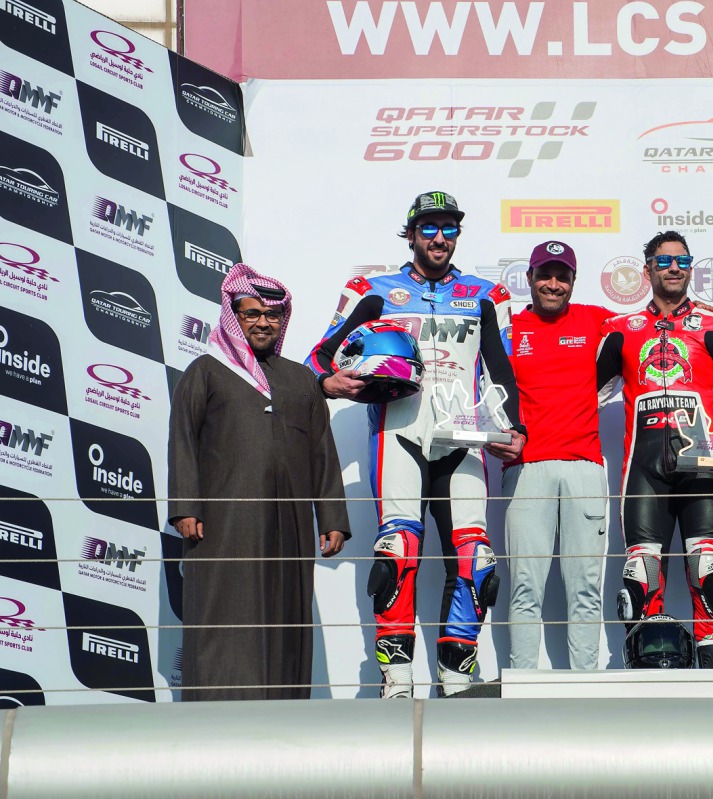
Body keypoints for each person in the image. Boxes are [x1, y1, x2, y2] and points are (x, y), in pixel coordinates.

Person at [308, 190, 525, 698]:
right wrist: (328, 383)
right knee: (397, 549)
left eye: (449, 228)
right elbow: (319, 356)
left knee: (475, 558)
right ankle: (397, 679)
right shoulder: (373, 290)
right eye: (429, 227)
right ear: (410, 234)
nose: (439, 237)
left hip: (464, 436)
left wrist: (515, 429)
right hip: (398, 433)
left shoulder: (487, 295)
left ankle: (457, 678)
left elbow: (502, 369)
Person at [168, 263, 349, 701]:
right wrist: (186, 507)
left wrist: (332, 518)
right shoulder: (206, 370)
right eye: (251, 314)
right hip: (224, 524)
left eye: (272, 315)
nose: (263, 323)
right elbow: (183, 438)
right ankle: (218, 714)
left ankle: (284, 716)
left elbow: (322, 452)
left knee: (287, 614)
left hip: (290, 526)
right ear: (234, 316)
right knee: (224, 613)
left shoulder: (301, 379)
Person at [596, 230, 713, 670]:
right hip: (643, 467)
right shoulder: (620, 329)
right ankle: (648, 673)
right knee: (641, 575)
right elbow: (582, 395)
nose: (674, 268)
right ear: (647, 269)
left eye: (683, 261)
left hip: (705, 464)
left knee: (709, 571)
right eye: (665, 261)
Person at [504, 240, 613, 671]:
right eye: (545, 275)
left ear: (573, 280)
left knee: (585, 588)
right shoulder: (509, 327)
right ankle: (521, 686)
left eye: (562, 276)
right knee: (524, 587)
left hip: (585, 466)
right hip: (525, 468)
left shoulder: (596, 319)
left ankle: (585, 687)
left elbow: (652, 327)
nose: (553, 284)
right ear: (529, 278)